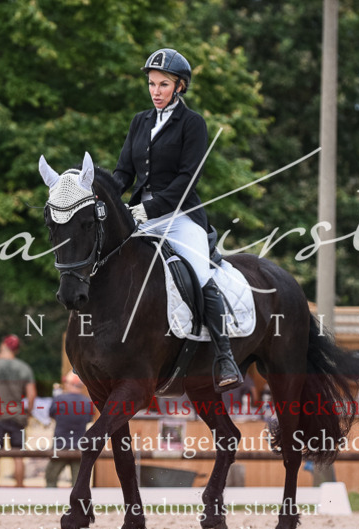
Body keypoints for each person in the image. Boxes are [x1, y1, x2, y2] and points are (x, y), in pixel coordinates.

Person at [112, 47, 241, 393]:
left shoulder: (193, 124)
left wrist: (150, 209)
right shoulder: (139, 121)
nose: (155, 91)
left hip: (181, 215)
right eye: (152, 84)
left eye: (163, 84)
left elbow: (188, 178)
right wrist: (106, 197)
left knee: (200, 274)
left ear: (180, 86)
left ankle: (224, 356)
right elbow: (124, 171)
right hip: (140, 215)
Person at [0, 335, 36, 484]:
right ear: (17, 350)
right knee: (18, 456)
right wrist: (28, 412)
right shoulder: (24, 368)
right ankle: (19, 492)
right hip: (17, 416)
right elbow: (31, 395)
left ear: (3, 346)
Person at [45, 372, 95, 487]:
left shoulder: (59, 399)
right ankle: (76, 505)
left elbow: (51, 414)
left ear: (69, 383)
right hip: (79, 447)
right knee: (78, 483)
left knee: (51, 477)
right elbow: (88, 420)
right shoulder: (88, 403)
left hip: (60, 446)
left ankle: (51, 502)